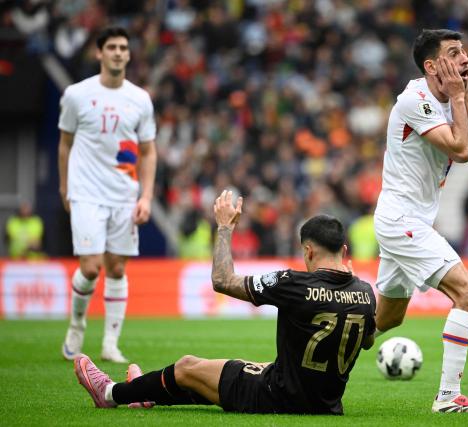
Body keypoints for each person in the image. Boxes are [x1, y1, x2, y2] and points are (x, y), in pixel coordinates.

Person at [73, 191, 376, 414]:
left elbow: (222, 280)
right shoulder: (365, 292)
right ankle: (145, 393)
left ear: (308, 251)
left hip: (279, 397)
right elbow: (366, 341)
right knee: (225, 373)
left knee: (188, 367)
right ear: (344, 249)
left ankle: (111, 393)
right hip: (324, 403)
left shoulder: (294, 283)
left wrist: (224, 228)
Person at [373, 29, 468, 413]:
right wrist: (458, 98)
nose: (465, 59)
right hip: (402, 219)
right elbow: (461, 150)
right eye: (454, 53)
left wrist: (464, 98)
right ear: (431, 66)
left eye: (464, 52)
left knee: (385, 320)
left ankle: (317, 348)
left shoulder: (451, 100)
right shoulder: (415, 100)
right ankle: (448, 397)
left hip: (410, 220)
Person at [58, 26, 157, 363]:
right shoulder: (76, 95)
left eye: (123, 47)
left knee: (116, 269)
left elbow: (149, 151)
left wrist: (146, 197)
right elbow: (65, 144)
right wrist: (64, 186)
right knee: (90, 266)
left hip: (124, 195)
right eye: (111, 47)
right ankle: (77, 323)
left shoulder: (140, 98)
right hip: (85, 192)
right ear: (99, 53)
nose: (118, 52)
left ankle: (110, 344)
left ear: (129, 54)